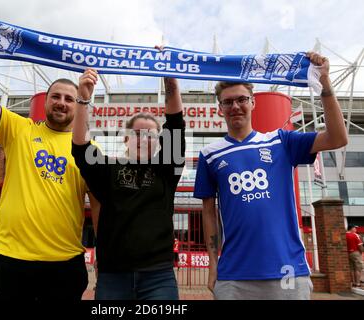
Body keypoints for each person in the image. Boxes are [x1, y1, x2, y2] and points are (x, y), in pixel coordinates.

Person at [0, 15, 100, 301]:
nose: (62, 103)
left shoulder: (88, 150)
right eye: (56, 96)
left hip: (65, 262)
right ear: (46, 100)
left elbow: (99, 204)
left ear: (78, 103)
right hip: (8, 258)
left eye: (70, 98)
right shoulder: (18, 129)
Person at [194, 52, 348, 300]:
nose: (235, 106)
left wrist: (326, 83)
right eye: (228, 102)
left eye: (242, 99)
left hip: (287, 271)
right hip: (234, 275)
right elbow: (209, 213)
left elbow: (338, 138)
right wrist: (213, 263)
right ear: (219, 108)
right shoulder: (209, 154)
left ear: (253, 102)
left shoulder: (281, 140)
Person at [71, 67, 185, 300]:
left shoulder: (167, 170)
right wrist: (83, 99)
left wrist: (170, 78)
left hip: (159, 277)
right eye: (137, 133)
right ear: (125, 139)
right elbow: (81, 148)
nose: (144, 138)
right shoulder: (108, 169)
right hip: (113, 277)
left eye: (151, 134)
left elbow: (175, 123)